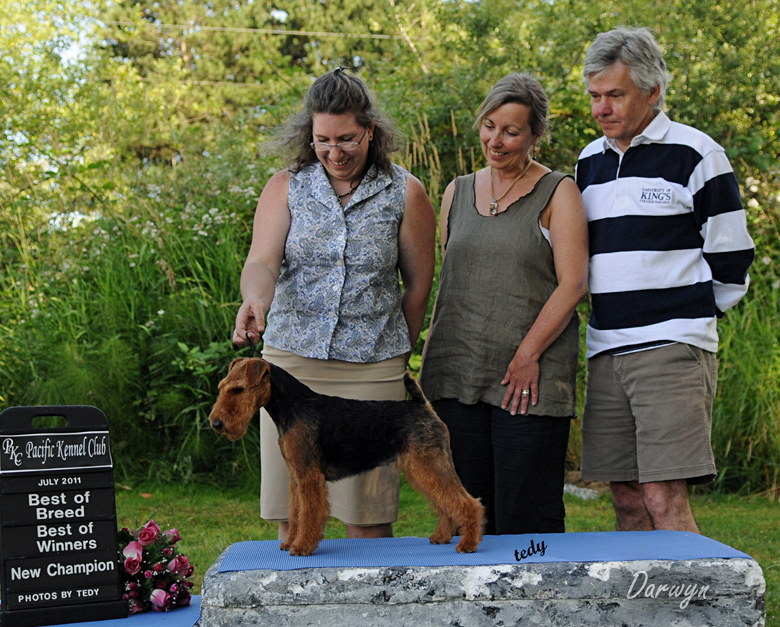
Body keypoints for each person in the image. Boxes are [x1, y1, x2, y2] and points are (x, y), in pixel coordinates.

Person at [232, 67, 436, 541]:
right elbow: (262, 261)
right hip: (289, 372)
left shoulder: (406, 192)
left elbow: (419, 286)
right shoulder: (285, 186)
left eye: (346, 138)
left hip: (373, 370)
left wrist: (395, 355)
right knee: (296, 516)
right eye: (322, 140)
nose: (334, 152)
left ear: (370, 130)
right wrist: (255, 301)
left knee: (368, 516)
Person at [576, 27, 755, 532]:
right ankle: (641, 607)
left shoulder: (697, 154)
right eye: (594, 96)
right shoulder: (588, 162)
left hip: (672, 347)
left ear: (652, 92)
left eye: (615, 95)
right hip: (606, 348)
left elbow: (733, 258)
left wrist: (688, 317)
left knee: (662, 496)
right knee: (626, 497)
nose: (601, 108)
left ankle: (694, 606)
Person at [419, 73, 588, 535]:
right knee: (466, 515)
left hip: (527, 381)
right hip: (458, 374)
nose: (496, 140)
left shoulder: (559, 192)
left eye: (511, 131)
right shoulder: (456, 191)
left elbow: (573, 284)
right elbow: (455, 282)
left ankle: (540, 606)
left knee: (525, 516)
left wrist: (528, 355)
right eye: (489, 125)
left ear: (535, 135)